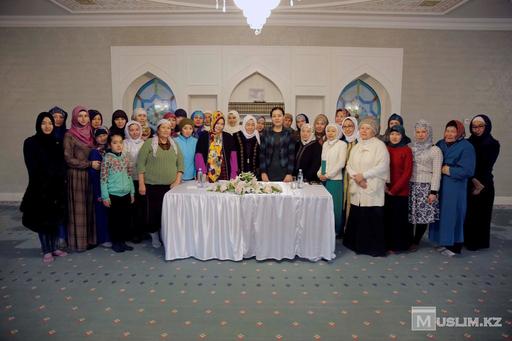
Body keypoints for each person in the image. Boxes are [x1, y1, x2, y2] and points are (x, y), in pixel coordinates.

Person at [21, 112, 67, 263]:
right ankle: (46, 249)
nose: (47, 126)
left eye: (50, 123)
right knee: (42, 220)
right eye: (44, 123)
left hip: (56, 187)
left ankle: (54, 247)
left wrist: (59, 178)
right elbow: (32, 166)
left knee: (55, 219)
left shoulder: (57, 142)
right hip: (40, 188)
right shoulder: (31, 142)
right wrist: (46, 178)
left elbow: (61, 164)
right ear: (38, 125)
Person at [343, 117, 389, 257]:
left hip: (371, 187)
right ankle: (355, 244)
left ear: (374, 131)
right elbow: (349, 165)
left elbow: (382, 166)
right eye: (362, 128)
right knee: (357, 215)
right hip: (358, 186)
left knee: (371, 217)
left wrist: (364, 176)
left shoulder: (380, 146)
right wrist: (357, 178)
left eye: (367, 128)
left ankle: (372, 248)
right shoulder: (357, 146)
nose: (363, 130)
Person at [429, 120, 475, 257]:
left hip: (455, 187)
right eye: (447, 130)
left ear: (459, 132)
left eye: (453, 131)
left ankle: (455, 246)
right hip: (441, 185)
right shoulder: (440, 143)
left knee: (454, 215)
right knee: (441, 215)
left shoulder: (467, 147)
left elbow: (468, 170)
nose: (449, 134)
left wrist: (448, 170)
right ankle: (444, 242)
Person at [137, 119, 183, 248]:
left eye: (168, 128)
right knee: (154, 212)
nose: (166, 130)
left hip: (171, 186)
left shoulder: (174, 144)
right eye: (163, 128)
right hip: (152, 185)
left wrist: (177, 180)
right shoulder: (149, 143)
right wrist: (141, 184)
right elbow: (140, 164)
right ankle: (154, 235)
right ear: (158, 129)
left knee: (168, 213)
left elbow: (181, 163)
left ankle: (165, 235)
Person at [63, 106, 98, 252]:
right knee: (78, 210)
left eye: (85, 116)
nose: (83, 119)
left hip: (90, 175)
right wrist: (89, 164)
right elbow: (68, 158)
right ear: (74, 118)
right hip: (77, 175)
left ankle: (90, 240)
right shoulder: (69, 135)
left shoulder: (91, 132)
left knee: (90, 208)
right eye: (80, 116)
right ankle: (79, 243)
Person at [464, 114, 500, 251]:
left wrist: (479, 183)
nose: (477, 129)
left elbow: (487, 165)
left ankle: (478, 242)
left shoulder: (493, 144)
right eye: (474, 127)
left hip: (485, 183)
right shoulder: (467, 143)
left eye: (480, 126)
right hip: (469, 181)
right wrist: (471, 178)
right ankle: (466, 240)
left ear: (487, 126)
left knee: (481, 215)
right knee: (469, 214)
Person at [408, 120, 443, 251]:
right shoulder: (410, 147)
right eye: (418, 132)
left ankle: (416, 241)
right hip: (410, 184)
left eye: (424, 132)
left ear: (428, 133)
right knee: (410, 215)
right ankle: (409, 238)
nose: (420, 134)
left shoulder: (435, 150)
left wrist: (433, 192)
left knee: (422, 216)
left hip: (426, 186)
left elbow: (437, 172)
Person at [100, 133, 135, 253]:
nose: (118, 145)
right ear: (110, 145)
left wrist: (132, 192)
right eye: (115, 143)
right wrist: (105, 196)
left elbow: (129, 175)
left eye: (120, 142)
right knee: (115, 220)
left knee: (124, 220)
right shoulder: (107, 158)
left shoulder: (125, 157)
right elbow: (103, 179)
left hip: (125, 194)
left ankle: (123, 242)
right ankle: (116, 242)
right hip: (113, 195)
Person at [384, 125, 413, 253]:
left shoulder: (406, 150)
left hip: (400, 191)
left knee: (398, 220)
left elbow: (407, 173)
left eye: (397, 134)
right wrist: (385, 186)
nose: (394, 137)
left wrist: (394, 190)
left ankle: (399, 245)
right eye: (392, 134)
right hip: (386, 189)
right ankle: (388, 244)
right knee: (388, 219)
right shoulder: (386, 148)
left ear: (402, 135)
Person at [317, 123, 347, 237]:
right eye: (328, 131)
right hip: (323, 179)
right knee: (324, 207)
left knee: (335, 207)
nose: (330, 133)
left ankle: (335, 230)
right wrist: (319, 173)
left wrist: (328, 175)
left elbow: (341, 163)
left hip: (334, 180)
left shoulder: (342, 144)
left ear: (338, 132)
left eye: (333, 131)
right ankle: (325, 229)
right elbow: (323, 162)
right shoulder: (325, 144)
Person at [195, 111, 238, 182]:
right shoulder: (203, 136)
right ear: (213, 122)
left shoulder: (228, 137)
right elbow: (199, 155)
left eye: (222, 124)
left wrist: (233, 174)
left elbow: (233, 157)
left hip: (224, 172)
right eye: (217, 123)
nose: (219, 126)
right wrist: (202, 172)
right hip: (207, 174)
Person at [88, 126, 111, 248]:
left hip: (111, 186)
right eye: (99, 136)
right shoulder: (94, 152)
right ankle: (104, 238)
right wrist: (99, 192)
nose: (102, 138)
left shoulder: (110, 149)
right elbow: (93, 173)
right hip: (100, 188)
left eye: (104, 135)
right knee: (101, 214)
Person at [124, 120, 146, 243]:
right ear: (127, 131)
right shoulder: (123, 143)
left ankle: (140, 232)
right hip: (127, 179)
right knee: (130, 206)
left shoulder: (144, 143)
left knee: (140, 207)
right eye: (131, 130)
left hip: (141, 179)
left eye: (137, 129)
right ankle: (130, 232)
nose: (134, 132)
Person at [259, 107, 295, 182]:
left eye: (279, 115)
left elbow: (291, 155)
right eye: (274, 116)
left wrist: (289, 173)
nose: (277, 118)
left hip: (284, 173)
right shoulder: (266, 133)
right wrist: (263, 172)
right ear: (271, 118)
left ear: (283, 117)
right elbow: (262, 154)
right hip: (268, 172)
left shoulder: (289, 133)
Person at [341, 117, 359, 229]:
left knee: (352, 203)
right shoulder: (341, 142)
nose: (347, 129)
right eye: (345, 126)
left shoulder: (359, 142)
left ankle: (350, 229)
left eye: (350, 126)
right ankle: (343, 228)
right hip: (342, 177)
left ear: (355, 126)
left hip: (355, 178)